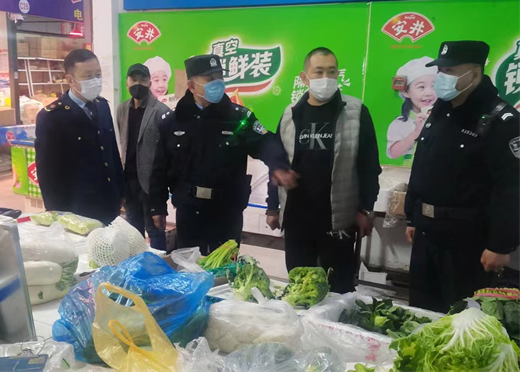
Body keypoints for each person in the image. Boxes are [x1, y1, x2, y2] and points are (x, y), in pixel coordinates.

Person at [405, 41, 520, 313]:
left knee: (461, 317)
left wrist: (501, 245)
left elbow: (512, 187)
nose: (442, 77)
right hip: (427, 234)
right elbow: (422, 164)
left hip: (468, 242)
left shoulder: (502, 120)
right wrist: (413, 215)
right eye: (441, 70)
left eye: (450, 71)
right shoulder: (441, 109)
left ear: (475, 73)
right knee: (420, 313)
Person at [149, 54, 298, 255]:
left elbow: (266, 142)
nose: (217, 83)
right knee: (190, 266)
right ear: (191, 86)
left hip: (227, 211)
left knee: (226, 267)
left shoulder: (238, 118)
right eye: (210, 79)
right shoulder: (173, 121)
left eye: (220, 77)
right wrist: (157, 207)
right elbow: (159, 167)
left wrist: (279, 165)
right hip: (189, 211)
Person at [266, 47, 381, 294]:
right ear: (304, 77)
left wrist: (365, 208)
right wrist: (273, 207)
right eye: (318, 72)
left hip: (337, 221)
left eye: (332, 71)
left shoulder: (355, 111)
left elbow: (369, 166)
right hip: (297, 220)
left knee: (338, 290)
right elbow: (278, 164)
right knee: (299, 289)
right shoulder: (290, 114)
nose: (326, 78)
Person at [35, 49, 124, 225]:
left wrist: (121, 191)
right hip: (77, 208)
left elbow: (112, 152)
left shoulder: (102, 106)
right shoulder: (52, 116)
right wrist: (56, 212)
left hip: (108, 201)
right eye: (88, 76)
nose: (95, 80)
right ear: (70, 80)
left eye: (98, 74)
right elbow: (47, 171)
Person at [117, 64, 170, 250]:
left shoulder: (161, 111)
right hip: (129, 181)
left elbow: (166, 153)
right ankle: (137, 264)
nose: (138, 84)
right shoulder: (122, 109)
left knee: (155, 229)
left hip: (150, 184)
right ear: (127, 83)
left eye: (143, 80)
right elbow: (123, 142)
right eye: (133, 80)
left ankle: (158, 265)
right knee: (133, 230)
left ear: (149, 83)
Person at [387, 57, 437, 165]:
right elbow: (393, 153)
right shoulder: (400, 123)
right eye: (421, 87)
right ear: (406, 92)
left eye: (434, 86)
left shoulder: (443, 120)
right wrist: (416, 133)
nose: (429, 93)